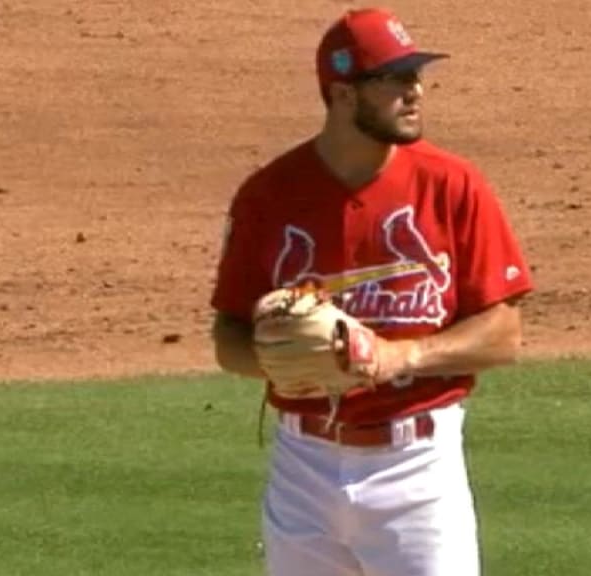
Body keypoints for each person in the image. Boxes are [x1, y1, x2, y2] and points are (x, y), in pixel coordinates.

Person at [209, 7, 534, 576]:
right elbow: (228, 338)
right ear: (340, 94)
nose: (414, 90)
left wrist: (399, 355)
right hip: (303, 466)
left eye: (416, 75)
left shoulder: (453, 185)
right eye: (393, 78)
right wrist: (281, 360)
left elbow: (503, 334)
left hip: (418, 469)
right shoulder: (269, 196)